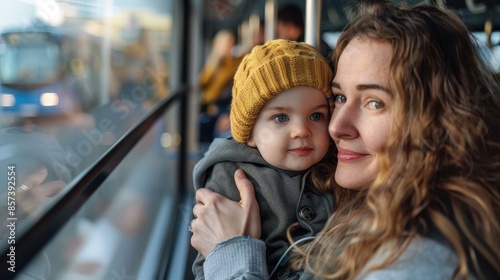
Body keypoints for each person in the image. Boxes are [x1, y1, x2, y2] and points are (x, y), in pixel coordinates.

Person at [190, 1, 500, 279]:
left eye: (374, 103)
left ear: (441, 119)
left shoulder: (417, 260)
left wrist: (230, 254)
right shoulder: (367, 200)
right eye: (338, 97)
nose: (336, 126)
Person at [191, 39, 335, 279]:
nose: (302, 131)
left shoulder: (338, 169)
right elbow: (208, 264)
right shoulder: (231, 176)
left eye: (316, 115)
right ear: (250, 134)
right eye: (280, 118)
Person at [198, 30, 244, 144]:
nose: (231, 47)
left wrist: (229, 114)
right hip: (212, 108)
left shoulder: (235, 64)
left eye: (232, 43)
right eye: (228, 43)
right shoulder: (213, 65)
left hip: (226, 108)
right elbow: (202, 85)